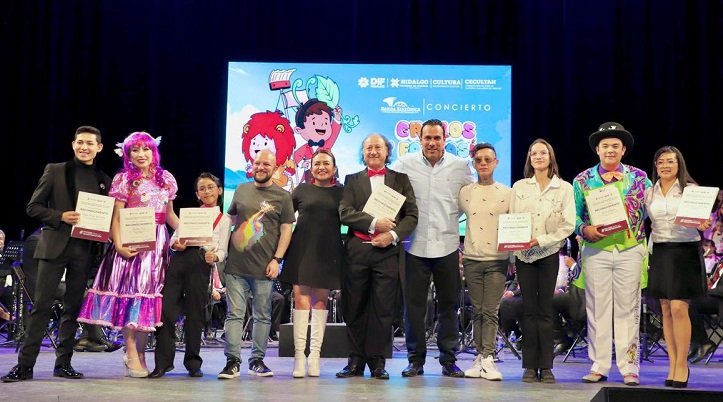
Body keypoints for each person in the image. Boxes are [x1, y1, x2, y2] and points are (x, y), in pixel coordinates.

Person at [2, 126, 111, 383]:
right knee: (41, 306)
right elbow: (33, 207)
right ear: (73, 144)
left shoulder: (104, 180)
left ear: (99, 148)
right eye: (80, 142)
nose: (84, 147)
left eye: (90, 143)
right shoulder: (55, 170)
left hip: (84, 250)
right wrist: (60, 216)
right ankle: (24, 366)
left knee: (72, 309)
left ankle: (63, 364)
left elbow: (106, 218)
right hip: (54, 247)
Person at [77, 131, 179, 378]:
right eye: (135, 150)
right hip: (131, 245)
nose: (141, 154)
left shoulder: (166, 179)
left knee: (146, 301)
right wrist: (119, 244)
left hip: (158, 246)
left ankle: (140, 354)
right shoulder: (124, 179)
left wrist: (192, 234)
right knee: (132, 297)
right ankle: (131, 351)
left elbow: (170, 216)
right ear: (128, 154)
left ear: (154, 151)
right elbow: (116, 217)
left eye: (145, 149)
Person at [391, 118, 473, 378]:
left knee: (449, 306)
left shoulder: (460, 166)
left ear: (444, 140)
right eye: (427, 138)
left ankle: (449, 360)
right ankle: (415, 360)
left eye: (437, 138)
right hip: (414, 245)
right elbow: (390, 197)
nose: (432, 142)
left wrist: (452, 218)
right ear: (420, 140)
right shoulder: (404, 164)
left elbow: (468, 202)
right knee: (414, 307)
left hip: (447, 244)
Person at [573, 122, 651, 386]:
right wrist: (584, 229)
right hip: (597, 250)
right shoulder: (582, 180)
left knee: (629, 309)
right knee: (598, 309)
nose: (610, 150)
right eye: (605, 145)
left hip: (630, 249)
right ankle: (599, 365)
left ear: (623, 150)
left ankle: (630, 367)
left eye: (615, 146)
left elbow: (655, 208)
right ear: (597, 150)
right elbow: (572, 215)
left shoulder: (640, 178)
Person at [336, 134, 418, 380]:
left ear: (387, 151)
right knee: (355, 306)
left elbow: (411, 215)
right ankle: (354, 361)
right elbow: (345, 213)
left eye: (378, 147)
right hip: (357, 251)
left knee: (383, 308)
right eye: (368, 147)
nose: (373, 151)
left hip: (387, 252)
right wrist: (374, 223)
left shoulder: (401, 179)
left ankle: (377, 362)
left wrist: (391, 234)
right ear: (363, 153)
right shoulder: (352, 180)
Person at [218, 149, 294, 379]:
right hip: (236, 266)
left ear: (275, 168)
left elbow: (286, 230)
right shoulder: (241, 189)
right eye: (257, 163)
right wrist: (218, 247)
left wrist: (277, 259)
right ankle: (232, 361)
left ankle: (257, 361)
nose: (261, 167)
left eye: (266, 164)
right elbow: (229, 219)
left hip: (264, 267)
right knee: (234, 314)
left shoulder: (283, 196)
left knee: (262, 315)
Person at [149, 172, 231, 378]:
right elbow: (173, 240)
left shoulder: (224, 219)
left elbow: (223, 250)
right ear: (197, 194)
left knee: (195, 315)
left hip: (201, 263)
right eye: (202, 188)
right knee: (166, 312)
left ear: (219, 191)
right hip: (179, 262)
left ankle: (193, 362)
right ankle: (163, 363)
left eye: (210, 187)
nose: (207, 191)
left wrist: (215, 257)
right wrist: (177, 244)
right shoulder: (190, 215)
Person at [509, 139, 575, 383]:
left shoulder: (564, 188)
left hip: (548, 253)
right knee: (529, 310)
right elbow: (512, 219)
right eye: (534, 153)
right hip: (524, 256)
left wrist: (541, 240)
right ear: (529, 158)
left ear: (550, 156)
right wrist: (515, 244)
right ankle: (529, 365)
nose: (538, 156)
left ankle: (546, 366)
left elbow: (568, 225)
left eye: (543, 152)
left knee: (546, 309)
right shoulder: (519, 187)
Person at [645, 146, 709, 388]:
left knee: (679, 308)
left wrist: (703, 223)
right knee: (665, 309)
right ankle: (672, 364)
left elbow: (702, 221)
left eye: (670, 161)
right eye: (661, 161)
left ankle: (682, 364)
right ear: (656, 166)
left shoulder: (690, 191)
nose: (665, 165)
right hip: (660, 252)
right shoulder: (649, 192)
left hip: (685, 252)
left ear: (679, 164)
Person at [279, 149, 344, 378]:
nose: (321, 167)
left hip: (328, 251)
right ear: (311, 167)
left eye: (326, 163)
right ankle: (299, 356)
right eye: (317, 163)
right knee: (301, 300)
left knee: (320, 302)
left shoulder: (342, 192)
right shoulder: (301, 190)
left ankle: (315, 355)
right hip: (302, 249)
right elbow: (285, 218)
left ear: (334, 168)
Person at [458, 142, 512, 381]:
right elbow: (450, 217)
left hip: (497, 260)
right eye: (478, 160)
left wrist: (512, 256)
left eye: (487, 160)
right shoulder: (465, 192)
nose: (483, 164)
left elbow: (514, 226)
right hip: (472, 259)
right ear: (473, 163)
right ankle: (480, 357)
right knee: (477, 311)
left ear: (496, 163)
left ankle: (489, 358)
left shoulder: (507, 193)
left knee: (490, 310)